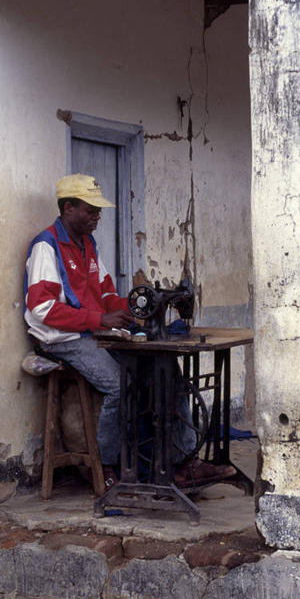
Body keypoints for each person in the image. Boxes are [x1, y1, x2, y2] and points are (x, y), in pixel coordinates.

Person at [24, 174, 234, 490]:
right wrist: (100, 318)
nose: (97, 216)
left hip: (94, 331)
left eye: (98, 211)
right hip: (62, 339)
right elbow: (42, 309)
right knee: (118, 386)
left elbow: (107, 294)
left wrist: (140, 307)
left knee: (166, 371)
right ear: (68, 208)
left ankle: (182, 462)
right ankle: (110, 467)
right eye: (90, 210)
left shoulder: (88, 245)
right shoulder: (47, 246)